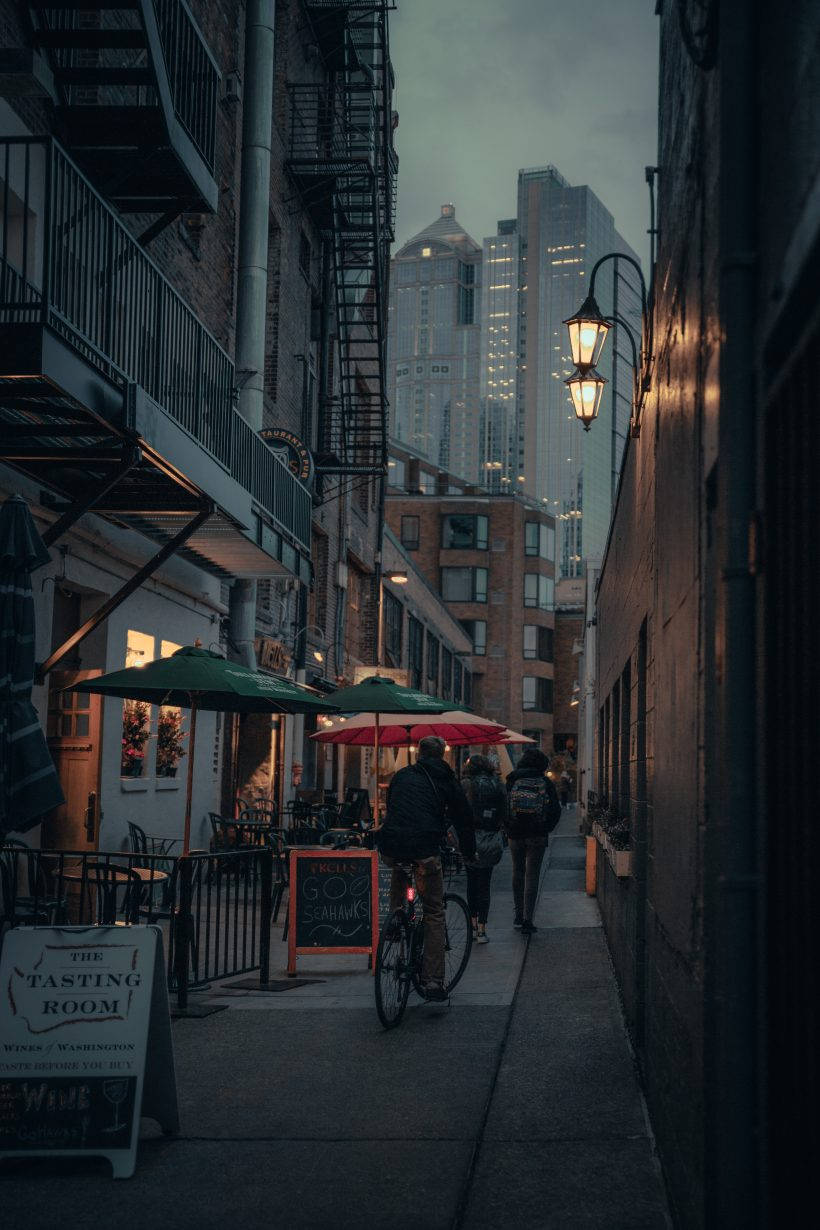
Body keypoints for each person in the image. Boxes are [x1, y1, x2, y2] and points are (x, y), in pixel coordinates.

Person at [377, 735, 476, 1000]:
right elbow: (464, 818)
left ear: (419, 753)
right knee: (433, 912)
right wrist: (469, 853)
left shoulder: (401, 776)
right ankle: (433, 982)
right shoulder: (446, 780)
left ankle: (396, 921)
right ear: (442, 754)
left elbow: (394, 809)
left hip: (392, 846)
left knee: (400, 868)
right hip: (424, 849)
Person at [505, 747, 561, 934]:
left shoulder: (512, 779)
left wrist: (508, 826)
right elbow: (555, 809)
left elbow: (503, 805)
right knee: (532, 875)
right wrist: (546, 828)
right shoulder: (544, 781)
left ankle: (517, 915)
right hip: (537, 834)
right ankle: (528, 919)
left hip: (515, 833)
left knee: (517, 872)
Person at [461, 754, 507, 943]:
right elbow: (505, 811)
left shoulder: (466, 784)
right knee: (485, 884)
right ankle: (482, 929)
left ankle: (471, 926)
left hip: (471, 838)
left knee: (471, 882)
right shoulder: (497, 783)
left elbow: (459, 811)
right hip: (491, 838)